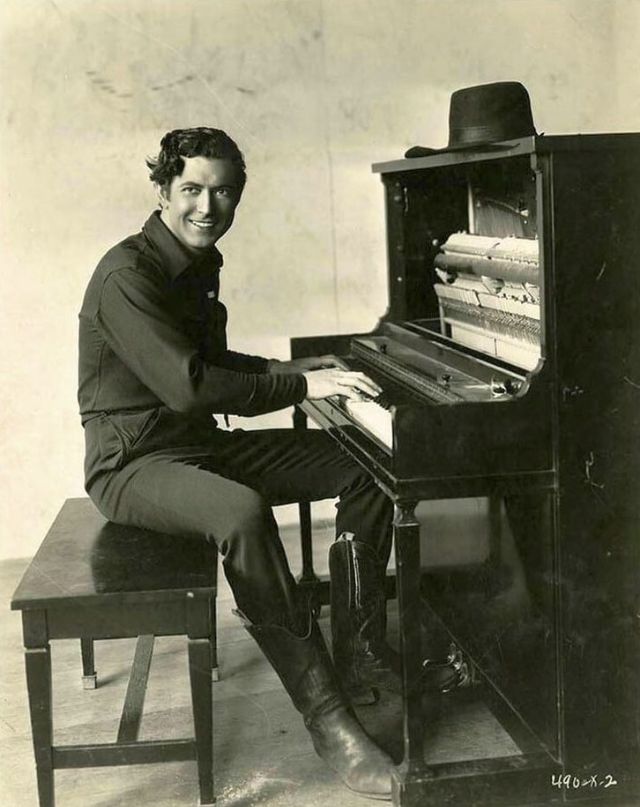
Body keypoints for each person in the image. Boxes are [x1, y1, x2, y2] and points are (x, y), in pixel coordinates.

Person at [78, 127, 397, 800]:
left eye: (223, 192)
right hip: (131, 464)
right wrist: (301, 387)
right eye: (192, 189)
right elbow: (190, 385)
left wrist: (290, 366)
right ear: (162, 190)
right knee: (241, 512)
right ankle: (329, 719)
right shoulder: (126, 275)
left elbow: (213, 363)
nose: (207, 206)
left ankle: (359, 651)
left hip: (197, 446)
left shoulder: (196, 263)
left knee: (365, 463)